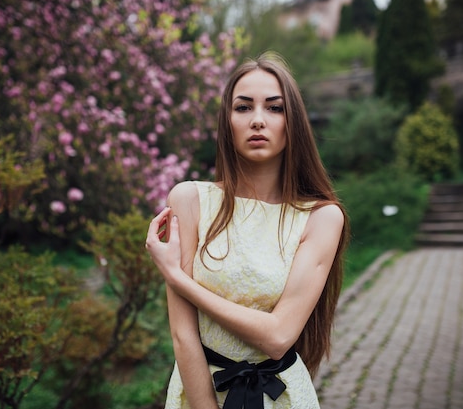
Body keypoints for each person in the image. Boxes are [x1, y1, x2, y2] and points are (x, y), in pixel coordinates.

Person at [145, 52, 350, 409]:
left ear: (294, 122)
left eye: (274, 108)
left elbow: (278, 337)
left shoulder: (321, 217)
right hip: (196, 392)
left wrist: (179, 280)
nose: (258, 120)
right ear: (228, 121)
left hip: (281, 398)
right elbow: (183, 335)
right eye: (243, 108)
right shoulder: (191, 200)